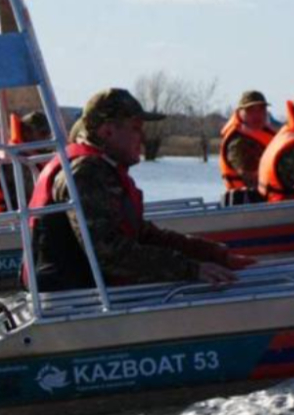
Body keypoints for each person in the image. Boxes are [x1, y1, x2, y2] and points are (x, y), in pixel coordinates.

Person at [29, 88, 255, 290]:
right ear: (107, 132)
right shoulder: (86, 174)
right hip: (72, 304)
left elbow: (141, 234)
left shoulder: (100, 170)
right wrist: (191, 269)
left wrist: (212, 254)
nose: (144, 137)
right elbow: (110, 254)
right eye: (136, 128)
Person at [0, 110, 50, 216]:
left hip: (6, 217)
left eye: (48, 134)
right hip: (3, 220)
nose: (47, 138)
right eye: (43, 133)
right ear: (27, 133)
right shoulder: (17, 162)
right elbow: (35, 199)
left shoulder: (17, 154)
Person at [218, 89, 277, 204]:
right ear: (240, 112)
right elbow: (251, 178)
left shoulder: (267, 134)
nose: (257, 115)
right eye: (250, 110)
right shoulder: (237, 143)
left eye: (261, 109)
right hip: (247, 205)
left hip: (267, 202)